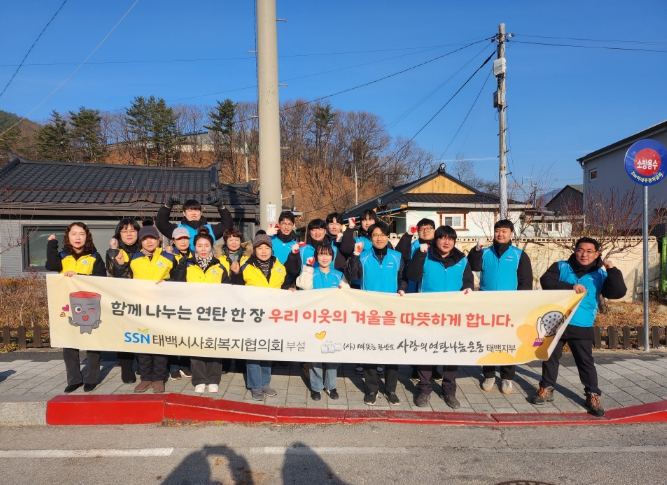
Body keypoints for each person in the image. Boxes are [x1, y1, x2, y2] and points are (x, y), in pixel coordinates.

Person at [532, 237, 627, 417]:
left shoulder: (601, 274)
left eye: (589, 251)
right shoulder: (561, 266)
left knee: (585, 362)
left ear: (597, 254)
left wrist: (612, 270)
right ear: (575, 251)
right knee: (550, 358)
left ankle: (592, 395)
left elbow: (617, 292)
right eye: (581, 250)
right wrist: (571, 286)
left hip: (582, 324)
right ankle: (546, 388)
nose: (584, 254)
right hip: (557, 323)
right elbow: (546, 282)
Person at [406, 225, 474, 409]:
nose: (446, 242)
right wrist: (419, 255)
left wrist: (468, 290)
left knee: (451, 352)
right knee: (426, 351)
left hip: (453, 315)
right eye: (442, 238)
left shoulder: (462, 260)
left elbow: (468, 282)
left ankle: (449, 390)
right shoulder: (425, 255)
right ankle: (424, 389)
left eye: (450, 239)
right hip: (428, 314)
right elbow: (412, 275)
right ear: (435, 240)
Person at [345, 221, 407, 406]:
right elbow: (351, 276)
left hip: (390, 312)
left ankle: (391, 389)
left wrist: (402, 288)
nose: (379, 238)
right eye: (375, 235)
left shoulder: (397, 257)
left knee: (391, 352)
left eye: (382, 234)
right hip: (369, 311)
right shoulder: (363, 256)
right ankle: (372, 389)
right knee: (370, 350)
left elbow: (403, 278)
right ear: (370, 238)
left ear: (387, 236)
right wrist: (355, 255)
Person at [467, 219, 532, 395]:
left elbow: (525, 282)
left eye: (504, 231)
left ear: (511, 233)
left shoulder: (519, 255)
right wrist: (476, 249)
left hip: (510, 306)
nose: (500, 234)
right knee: (488, 340)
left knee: (508, 341)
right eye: (497, 231)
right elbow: (472, 265)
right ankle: (488, 375)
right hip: (486, 304)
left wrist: (522, 306)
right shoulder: (484, 252)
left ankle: (507, 377)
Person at [230, 233, 296, 401]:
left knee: (267, 349)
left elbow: (284, 285)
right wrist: (236, 274)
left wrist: (290, 288)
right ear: (255, 250)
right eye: (260, 248)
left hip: (272, 316)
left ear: (271, 250)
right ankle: (255, 385)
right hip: (253, 316)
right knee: (254, 351)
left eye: (267, 248)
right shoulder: (246, 266)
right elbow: (237, 289)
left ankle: (265, 383)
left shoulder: (279, 266)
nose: (264, 251)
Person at [45, 222, 106, 393]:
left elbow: (101, 277)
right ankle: (74, 379)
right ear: (68, 237)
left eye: (81, 234)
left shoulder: (94, 256)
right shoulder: (62, 255)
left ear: (87, 237)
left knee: (93, 342)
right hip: (67, 304)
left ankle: (91, 378)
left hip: (90, 304)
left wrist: (79, 276)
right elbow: (52, 266)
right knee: (69, 342)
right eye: (74, 234)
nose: (77, 237)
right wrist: (51, 245)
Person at [171, 227, 231, 393]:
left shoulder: (219, 267)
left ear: (211, 247)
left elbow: (227, 290)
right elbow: (176, 285)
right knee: (196, 345)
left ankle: (213, 379)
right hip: (193, 314)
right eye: (199, 246)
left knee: (214, 345)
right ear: (194, 247)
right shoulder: (186, 265)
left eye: (206, 246)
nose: (203, 249)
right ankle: (199, 379)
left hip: (214, 314)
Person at [126, 224, 175, 393]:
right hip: (141, 307)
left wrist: (168, 282)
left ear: (158, 240)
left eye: (152, 238)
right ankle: (146, 378)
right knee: (143, 343)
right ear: (141, 242)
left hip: (162, 307)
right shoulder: (134, 258)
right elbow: (123, 278)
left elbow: (179, 277)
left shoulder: (169, 257)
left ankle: (159, 378)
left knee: (160, 343)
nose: (149, 242)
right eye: (145, 239)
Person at [296, 245, 349, 401]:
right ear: (316, 257)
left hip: (333, 322)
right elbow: (303, 285)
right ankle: (316, 387)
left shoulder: (338, 275)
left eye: (327, 255)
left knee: (333, 355)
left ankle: (331, 386)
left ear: (332, 257)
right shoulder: (310, 272)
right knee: (315, 355)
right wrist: (308, 268)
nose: (324, 258)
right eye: (321, 254)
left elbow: (347, 294)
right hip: (314, 321)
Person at [106, 218, 141, 384]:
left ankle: (143, 363)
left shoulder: (146, 249)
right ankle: (126, 367)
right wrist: (113, 252)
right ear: (118, 234)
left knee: (143, 331)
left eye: (133, 230)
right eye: (124, 231)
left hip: (143, 298)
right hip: (123, 299)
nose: (129, 234)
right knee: (125, 333)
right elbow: (112, 273)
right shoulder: (114, 251)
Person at [157, 196, 233, 251]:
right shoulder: (178, 229)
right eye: (190, 210)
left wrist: (221, 208)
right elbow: (161, 224)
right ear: (184, 213)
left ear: (201, 213)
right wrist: (167, 206)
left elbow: (227, 225)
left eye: (196, 210)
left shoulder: (211, 229)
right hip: (183, 265)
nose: (193, 213)